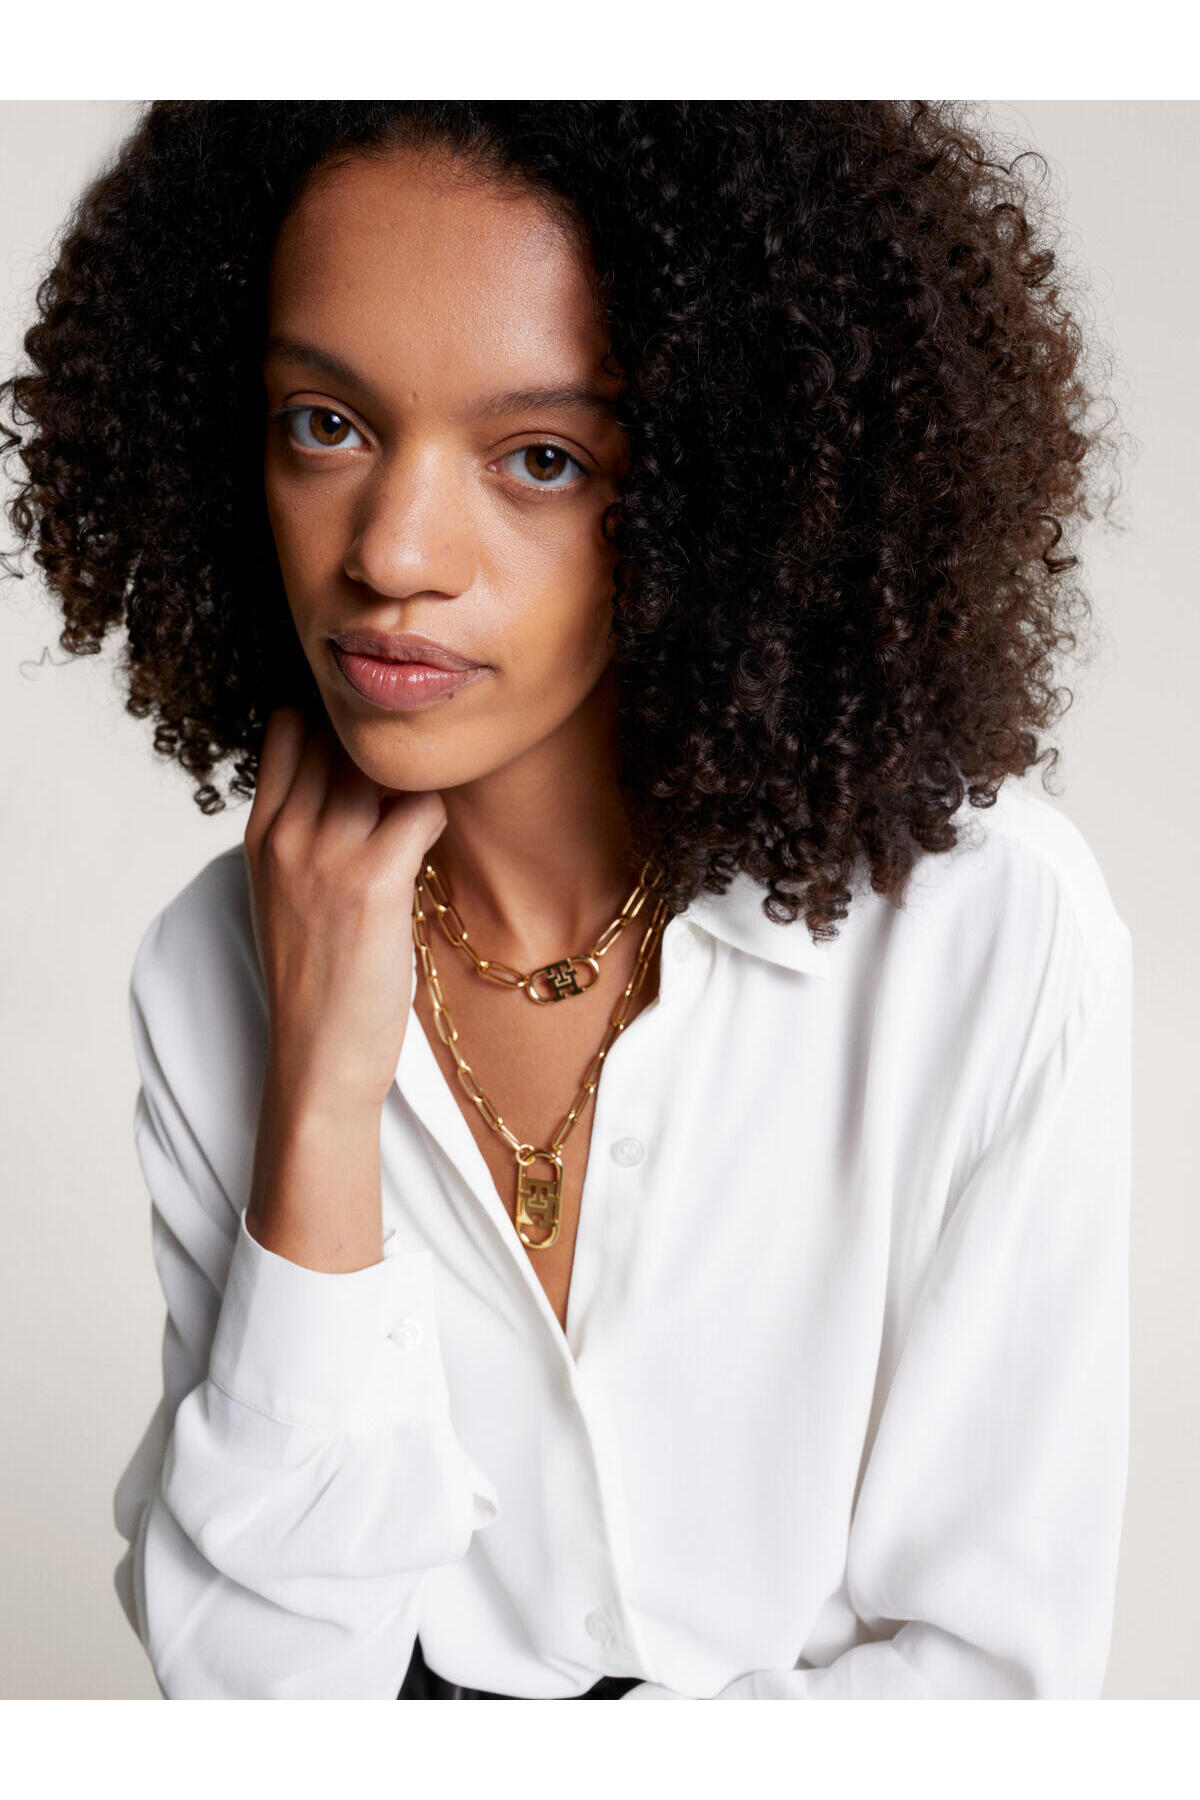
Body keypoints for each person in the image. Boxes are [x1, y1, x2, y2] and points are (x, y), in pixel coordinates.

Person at [0, 101, 1132, 1701]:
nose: (394, 553)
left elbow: (987, 1687)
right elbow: (257, 1693)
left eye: (540, 458)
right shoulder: (216, 967)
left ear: (723, 487)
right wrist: (319, 1094)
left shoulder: (982, 935)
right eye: (325, 423)